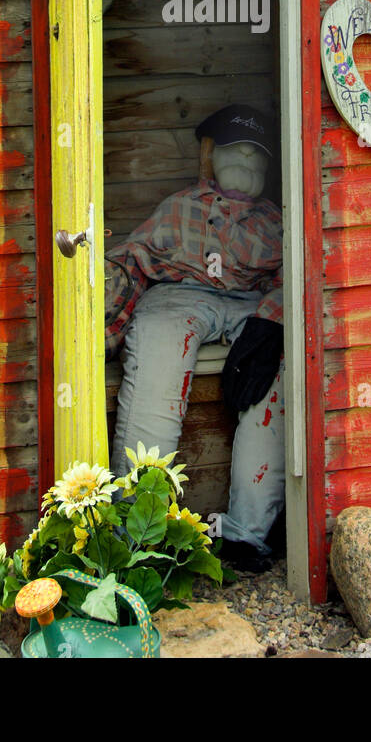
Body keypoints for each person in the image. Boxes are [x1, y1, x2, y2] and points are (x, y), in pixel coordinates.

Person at [105, 104, 285, 572]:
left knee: (278, 372)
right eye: (235, 153)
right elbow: (135, 256)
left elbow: (295, 275)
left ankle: (248, 534)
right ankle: (136, 528)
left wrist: (270, 322)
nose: (247, 165)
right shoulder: (181, 208)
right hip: (180, 296)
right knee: (161, 360)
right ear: (211, 158)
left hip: (251, 301)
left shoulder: (276, 222)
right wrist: (105, 319)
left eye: (257, 157)